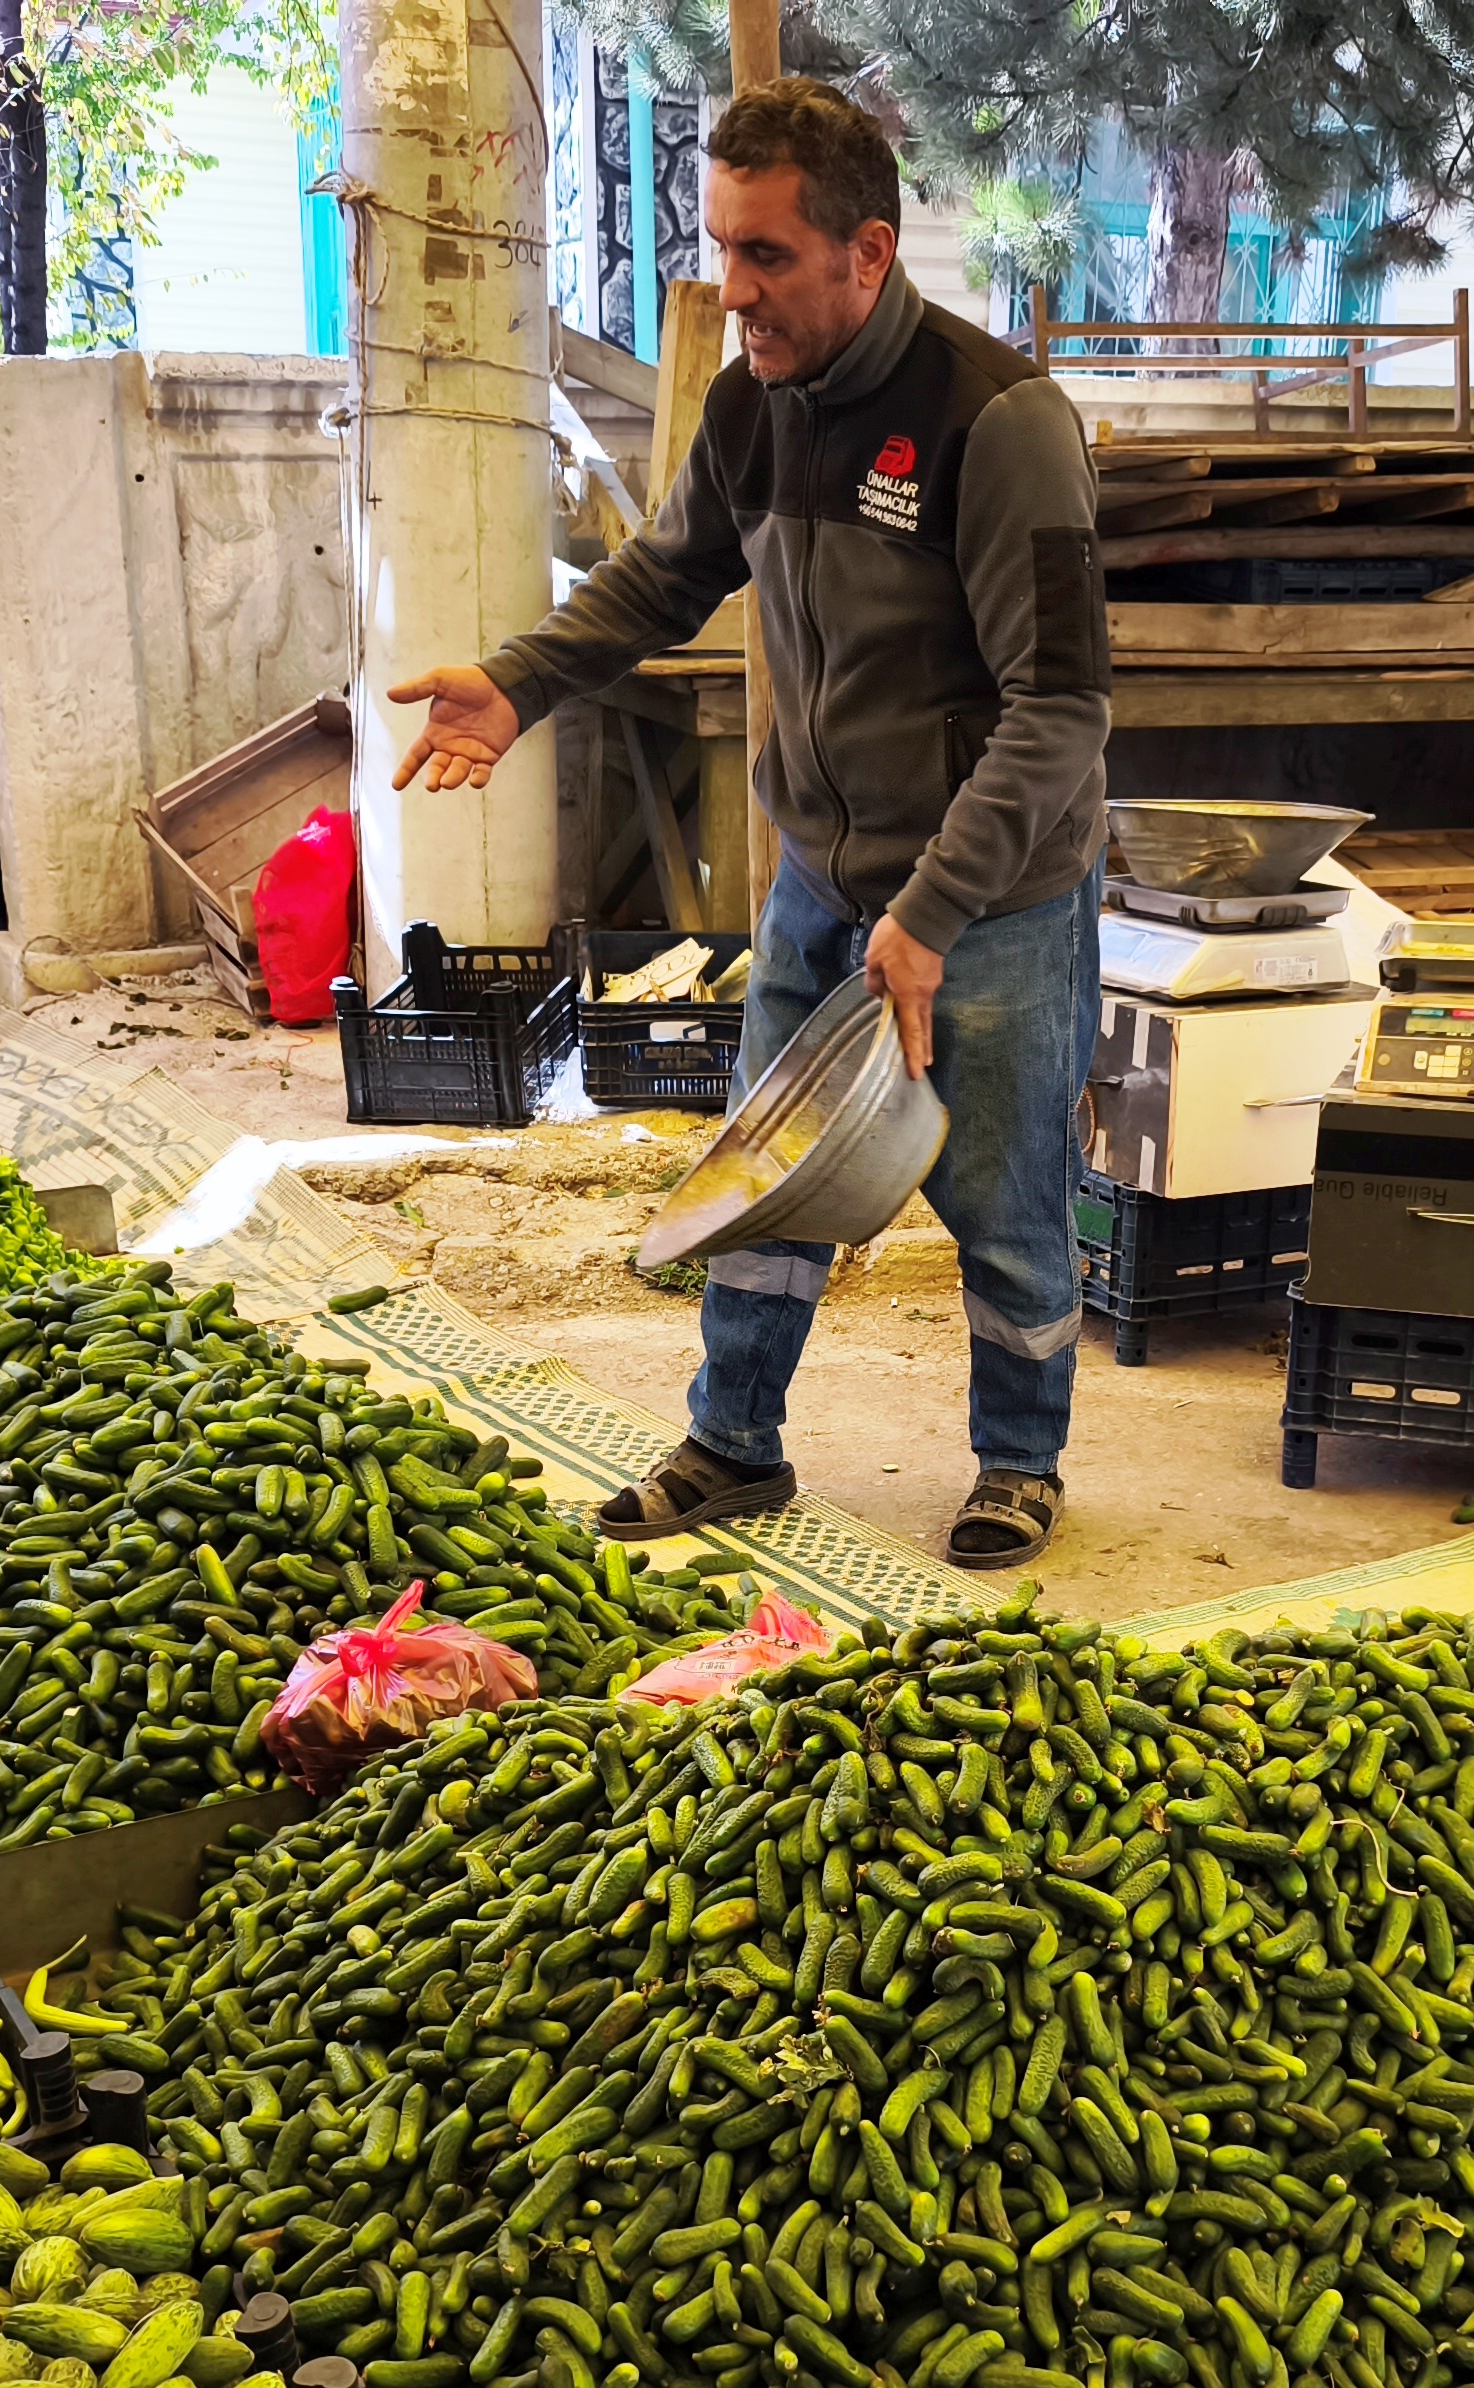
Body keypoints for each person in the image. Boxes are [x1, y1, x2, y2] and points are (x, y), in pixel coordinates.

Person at [388, 77, 1108, 1573]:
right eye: (721, 247)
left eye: (767, 254)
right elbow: (662, 579)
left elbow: (1059, 711)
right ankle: (733, 1442)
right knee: (763, 1171)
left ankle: (1019, 1462)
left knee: (1002, 1196)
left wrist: (931, 915)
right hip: (819, 885)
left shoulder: (996, 424)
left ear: (867, 251)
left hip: (992, 902)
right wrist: (518, 686)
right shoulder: (749, 405)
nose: (734, 291)